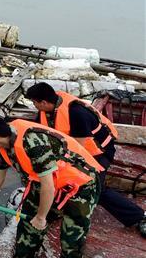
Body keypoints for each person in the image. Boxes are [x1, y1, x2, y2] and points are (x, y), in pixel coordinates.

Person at [0, 113, 102, 258]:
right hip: (45, 180)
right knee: (28, 222)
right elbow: (0, 171)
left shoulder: (33, 144)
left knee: (71, 236)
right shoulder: (5, 143)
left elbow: (48, 186)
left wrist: (41, 217)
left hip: (80, 184)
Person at [26, 82, 146, 237]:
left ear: (43, 102)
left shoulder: (76, 113)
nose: (34, 106)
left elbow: (78, 149)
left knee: (96, 188)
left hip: (99, 153)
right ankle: (54, 207)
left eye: (34, 103)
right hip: (75, 149)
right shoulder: (47, 109)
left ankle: (139, 216)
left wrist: (56, 165)